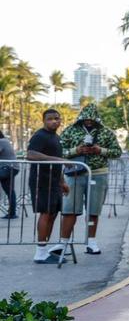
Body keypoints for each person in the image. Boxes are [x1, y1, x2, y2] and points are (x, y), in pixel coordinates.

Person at [59, 103, 123, 255]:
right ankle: (63, 243)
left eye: (91, 119)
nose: (88, 121)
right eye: (85, 119)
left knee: (93, 210)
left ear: (97, 119)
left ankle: (91, 241)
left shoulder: (106, 132)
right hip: (75, 174)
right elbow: (59, 152)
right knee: (69, 210)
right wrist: (77, 150)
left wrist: (100, 150)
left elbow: (117, 152)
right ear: (80, 118)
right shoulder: (69, 131)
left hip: (98, 174)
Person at [26, 109, 68, 264]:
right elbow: (30, 154)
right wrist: (56, 159)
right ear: (43, 120)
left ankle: (44, 250)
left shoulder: (56, 137)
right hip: (41, 181)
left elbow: (58, 162)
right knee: (45, 213)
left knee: (52, 214)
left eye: (57, 118)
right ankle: (40, 252)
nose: (54, 121)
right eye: (50, 119)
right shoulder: (40, 136)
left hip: (54, 181)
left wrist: (62, 181)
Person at [0, 130, 17, 219]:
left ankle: (12, 213)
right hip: (11, 168)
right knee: (9, 191)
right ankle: (12, 213)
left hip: (8, 168)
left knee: (9, 191)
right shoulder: (5, 140)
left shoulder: (1, 141)